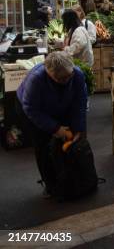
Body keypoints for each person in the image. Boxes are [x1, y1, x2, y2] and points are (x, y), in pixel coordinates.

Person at [17, 52, 88, 196]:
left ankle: (70, 179)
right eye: (61, 79)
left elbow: (79, 103)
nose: (67, 80)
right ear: (49, 73)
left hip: (61, 105)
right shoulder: (36, 79)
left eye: (69, 76)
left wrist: (78, 128)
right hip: (34, 109)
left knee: (72, 142)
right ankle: (49, 184)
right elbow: (31, 108)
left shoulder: (77, 75)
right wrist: (55, 128)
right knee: (43, 146)